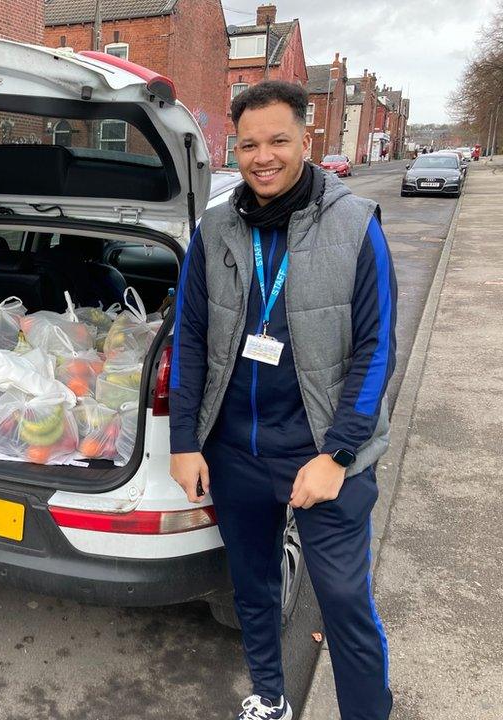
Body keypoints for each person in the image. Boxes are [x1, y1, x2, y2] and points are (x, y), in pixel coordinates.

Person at [169, 81, 396, 720]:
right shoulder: (214, 228)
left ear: (305, 139)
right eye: (248, 144)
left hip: (324, 455)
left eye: (277, 141)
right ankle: (270, 697)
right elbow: (188, 339)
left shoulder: (356, 224)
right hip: (236, 450)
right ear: (233, 149)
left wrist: (339, 454)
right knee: (255, 590)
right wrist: (183, 442)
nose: (262, 156)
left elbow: (377, 352)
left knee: (346, 602)